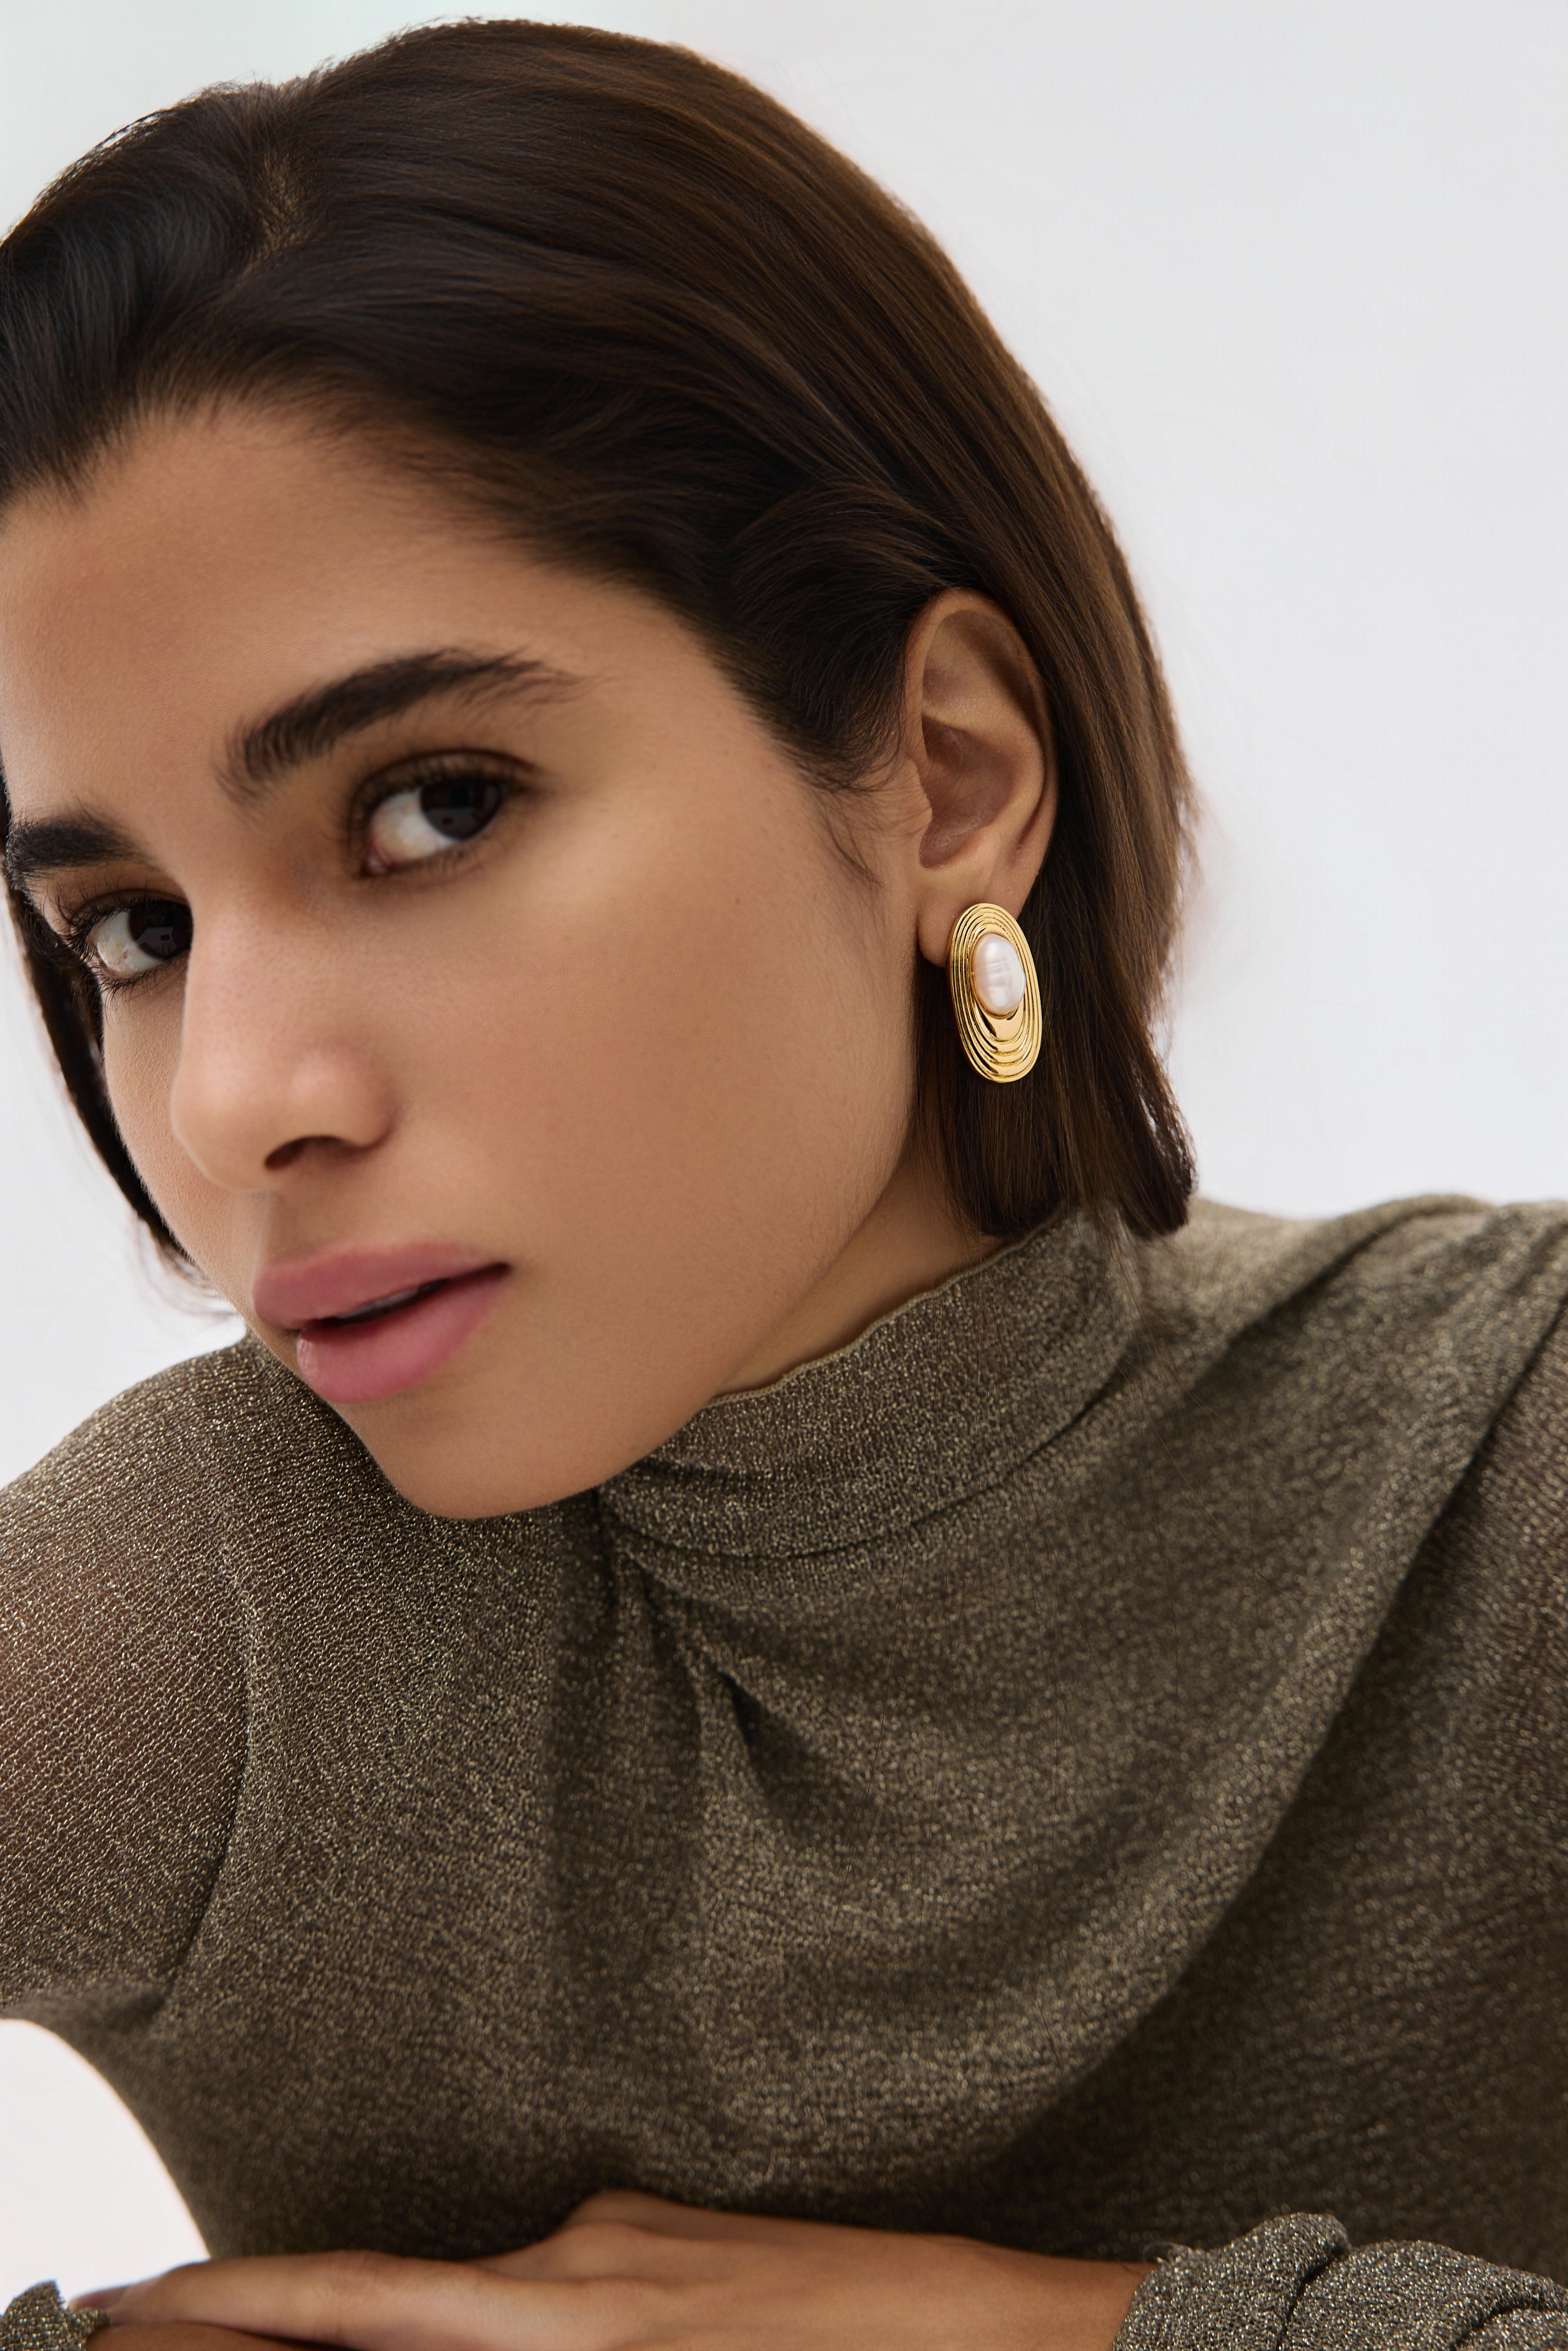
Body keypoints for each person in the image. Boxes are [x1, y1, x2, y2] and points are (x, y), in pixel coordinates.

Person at [1, 19, 1563, 2351]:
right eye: (132, 928)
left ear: (947, 776)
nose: (230, 1101)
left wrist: (1059, 2332)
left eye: (430, 807)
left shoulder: (1503, 1474)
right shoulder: (195, 1623)